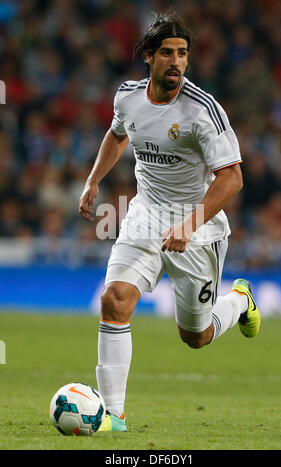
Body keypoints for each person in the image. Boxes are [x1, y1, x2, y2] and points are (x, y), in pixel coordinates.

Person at [79, 14, 261, 432]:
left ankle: (239, 302)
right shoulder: (127, 96)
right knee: (115, 301)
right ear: (148, 57)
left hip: (198, 228)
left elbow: (232, 177)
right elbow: (118, 133)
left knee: (195, 337)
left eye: (183, 53)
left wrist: (190, 224)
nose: (176, 61)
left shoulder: (203, 110)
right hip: (145, 215)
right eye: (167, 53)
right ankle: (113, 418)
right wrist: (93, 181)